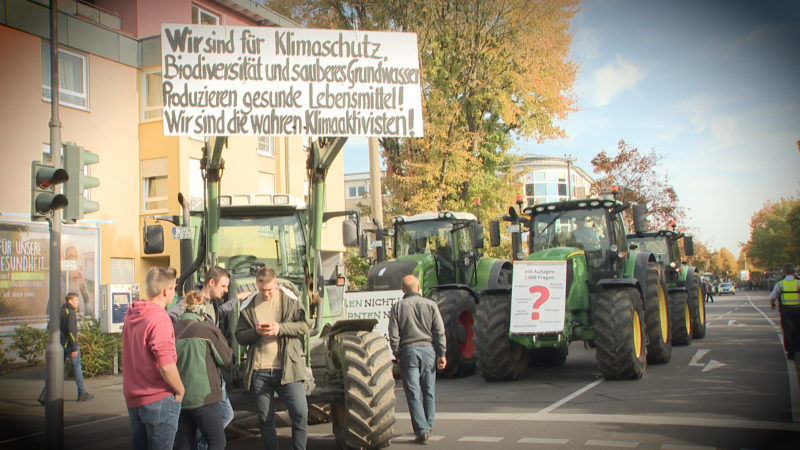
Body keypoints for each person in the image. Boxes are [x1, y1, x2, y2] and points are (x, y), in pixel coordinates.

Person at [167, 266, 249, 448]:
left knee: (221, 417)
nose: (226, 290)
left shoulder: (211, 303)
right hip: (201, 373)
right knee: (219, 427)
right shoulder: (191, 300)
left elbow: (219, 314)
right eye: (224, 286)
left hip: (212, 371)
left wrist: (236, 299)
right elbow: (169, 316)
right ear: (211, 282)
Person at [235, 267, 310, 450]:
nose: (266, 293)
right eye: (262, 290)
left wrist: (281, 328)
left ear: (276, 283)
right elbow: (239, 336)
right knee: (265, 419)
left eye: (269, 289)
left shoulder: (290, 300)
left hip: (287, 368)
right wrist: (255, 332)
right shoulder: (249, 305)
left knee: (300, 413)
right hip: (259, 371)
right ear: (257, 285)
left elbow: (305, 326)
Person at [123, 266, 185, 450]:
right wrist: (180, 391)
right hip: (158, 399)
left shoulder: (132, 314)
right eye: (174, 287)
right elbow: (165, 364)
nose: (174, 292)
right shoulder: (159, 318)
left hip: (134, 398)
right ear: (166, 291)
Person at [389, 275, 447, 445]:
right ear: (419, 287)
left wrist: (398, 353)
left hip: (408, 352)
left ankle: (421, 430)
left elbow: (393, 334)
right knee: (428, 390)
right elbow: (439, 331)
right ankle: (428, 425)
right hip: (428, 350)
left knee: (413, 392)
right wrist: (441, 353)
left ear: (402, 290)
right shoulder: (431, 305)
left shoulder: (398, 307)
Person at [174, 290, 233, 450]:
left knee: (185, 443)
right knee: (216, 442)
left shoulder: (172, 330)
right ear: (202, 311)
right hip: (205, 398)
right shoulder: (206, 330)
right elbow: (226, 359)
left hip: (179, 398)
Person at [37, 292, 94, 405]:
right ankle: (82, 393)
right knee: (77, 368)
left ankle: (44, 395)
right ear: (70, 301)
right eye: (76, 300)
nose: (78, 302)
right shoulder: (70, 313)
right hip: (69, 346)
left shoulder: (58, 311)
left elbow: (49, 327)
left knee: (55, 371)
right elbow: (72, 332)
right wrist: (73, 349)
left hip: (59, 345)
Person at [770, 262, 800, 360]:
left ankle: (790, 353)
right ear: (794, 272)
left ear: (784, 272)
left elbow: (772, 296)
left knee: (788, 331)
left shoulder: (780, 284)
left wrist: (772, 304)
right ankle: (798, 348)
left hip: (786, 311)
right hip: (798, 310)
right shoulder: (798, 283)